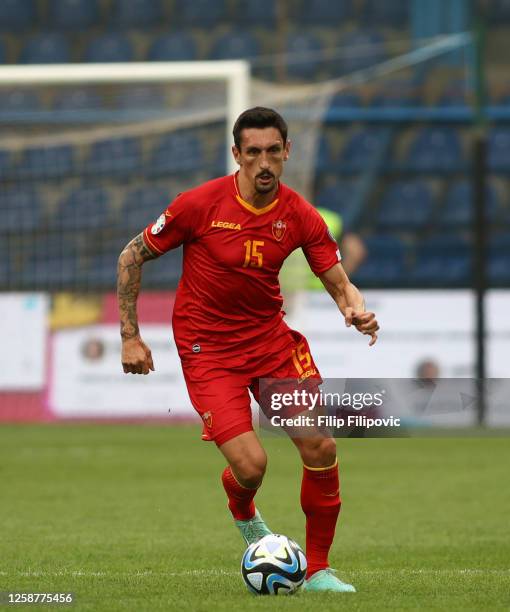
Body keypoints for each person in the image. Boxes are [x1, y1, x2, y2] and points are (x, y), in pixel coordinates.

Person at [117, 107, 379, 593]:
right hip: (208, 348)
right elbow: (131, 255)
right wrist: (130, 336)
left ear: (286, 153)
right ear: (236, 155)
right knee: (252, 465)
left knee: (320, 444)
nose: (263, 162)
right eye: (253, 152)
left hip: (270, 343)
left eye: (272, 152)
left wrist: (355, 308)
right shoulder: (198, 205)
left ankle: (319, 570)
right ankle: (244, 510)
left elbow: (341, 284)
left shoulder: (300, 214)